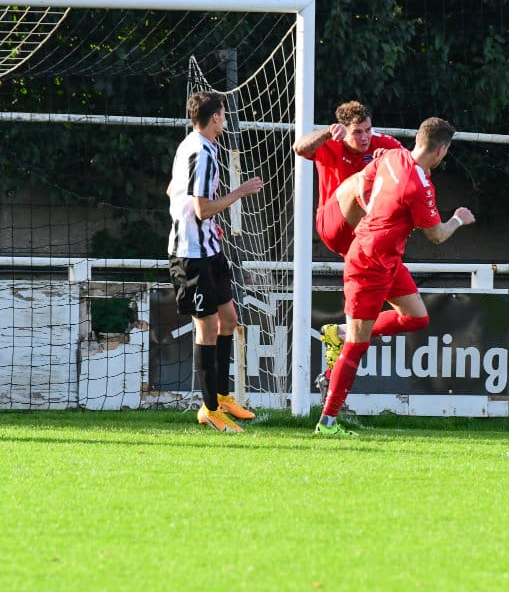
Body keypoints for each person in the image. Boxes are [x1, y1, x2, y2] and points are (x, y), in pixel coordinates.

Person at [314, 117, 475, 435]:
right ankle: (327, 422)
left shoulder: (391, 156)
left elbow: (362, 184)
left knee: (416, 317)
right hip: (368, 264)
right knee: (358, 346)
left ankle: (341, 332)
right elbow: (437, 236)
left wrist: (376, 215)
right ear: (441, 150)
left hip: (387, 260)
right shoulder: (420, 187)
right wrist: (458, 219)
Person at [167, 90, 264, 433]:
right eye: (223, 113)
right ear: (216, 117)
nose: (225, 118)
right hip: (191, 256)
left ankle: (222, 397)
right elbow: (201, 208)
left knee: (229, 319)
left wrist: (207, 224)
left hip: (209, 249)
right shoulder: (201, 152)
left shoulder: (195, 145)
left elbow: (173, 191)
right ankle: (209, 409)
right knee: (206, 327)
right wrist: (241, 191)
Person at [292, 101, 405, 380]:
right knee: (363, 179)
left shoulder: (382, 143)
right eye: (357, 132)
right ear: (343, 130)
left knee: (414, 316)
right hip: (334, 225)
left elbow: (414, 166)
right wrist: (326, 133)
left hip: (365, 239)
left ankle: (339, 336)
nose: (365, 137)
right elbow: (300, 148)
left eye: (368, 130)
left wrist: (393, 159)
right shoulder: (331, 144)